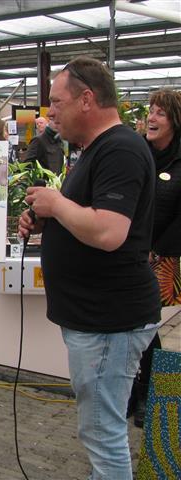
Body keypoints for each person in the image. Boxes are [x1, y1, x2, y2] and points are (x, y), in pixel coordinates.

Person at [19, 56, 160, 479]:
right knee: (100, 429)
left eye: (56, 102)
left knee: (103, 433)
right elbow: (90, 217)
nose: (50, 112)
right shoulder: (99, 149)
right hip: (99, 319)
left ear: (86, 99)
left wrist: (57, 204)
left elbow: (108, 232)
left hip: (109, 321)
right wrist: (48, 218)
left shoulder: (120, 149)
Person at [127, 89, 181, 428]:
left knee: (146, 325)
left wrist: (156, 248)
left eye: (160, 112)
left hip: (165, 256)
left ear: (174, 120)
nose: (152, 117)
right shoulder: (138, 152)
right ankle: (140, 391)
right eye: (151, 111)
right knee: (138, 324)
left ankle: (153, 395)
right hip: (132, 251)